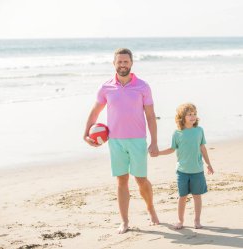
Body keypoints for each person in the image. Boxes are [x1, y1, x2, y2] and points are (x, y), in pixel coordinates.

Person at [83, 48, 159, 234]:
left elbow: (150, 116)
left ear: (131, 63)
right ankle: (124, 222)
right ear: (114, 63)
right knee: (121, 180)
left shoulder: (143, 86)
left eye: (126, 62)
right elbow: (95, 111)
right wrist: (85, 134)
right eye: (119, 62)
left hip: (137, 140)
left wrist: (154, 141)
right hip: (115, 141)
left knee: (141, 180)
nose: (122, 65)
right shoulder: (105, 87)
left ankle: (151, 210)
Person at [158, 103, 214, 229]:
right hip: (182, 171)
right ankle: (180, 220)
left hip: (197, 170)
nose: (193, 116)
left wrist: (209, 164)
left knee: (197, 196)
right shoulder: (177, 133)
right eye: (189, 114)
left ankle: (197, 220)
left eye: (194, 114)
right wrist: (159, 153)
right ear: (182, 117)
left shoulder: (199, 131)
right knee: (182, 197)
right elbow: (172, 149)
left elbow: (202, 148)